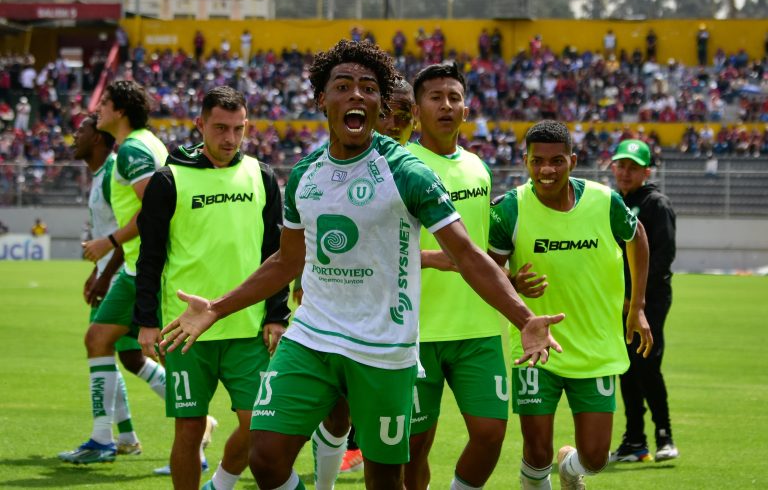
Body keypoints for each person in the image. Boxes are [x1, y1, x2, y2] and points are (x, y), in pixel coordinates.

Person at [160, 39, 564, 490]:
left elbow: (467, 254)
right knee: (267, 456)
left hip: (383, 347)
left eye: (369, 88)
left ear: (380, 104)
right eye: (344, 86)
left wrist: (524, 317)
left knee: (385, 479)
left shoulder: (408, 172)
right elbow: (286, 259)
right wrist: (216, 307)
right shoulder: (303, 174)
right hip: (312, 337)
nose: (357, 95)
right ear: (322, 99)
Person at [134, 86, 290, 490]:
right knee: (188, 429)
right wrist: (147, 321)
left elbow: (275, 253)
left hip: (246, 329)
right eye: (220, 128)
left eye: (238, 129)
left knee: (259, 425)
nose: (230, 139)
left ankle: (220, 483)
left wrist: (276, 314)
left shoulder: (263, 176)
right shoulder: (169, 180)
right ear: (200, 124)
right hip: (184, 331)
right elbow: (149, 257)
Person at [487, 120, 653, 490]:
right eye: (538, 160)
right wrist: (513, 283)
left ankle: (569, 466)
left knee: (594, 459)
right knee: (536, 451)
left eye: (557, 160)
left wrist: (637, 306)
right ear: (525, 161)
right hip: (535, 350)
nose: (547, 169)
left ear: (573, 161)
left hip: (595, 347)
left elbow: (637, 236)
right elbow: (487, 271)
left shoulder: (605, 200)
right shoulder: (508, 210)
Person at [403, 61, 509, 490]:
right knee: (414, 448)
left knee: (491, 433)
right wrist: (429, 258)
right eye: (435, 97)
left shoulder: (478, 168)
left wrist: (507, 281)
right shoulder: (400, 164)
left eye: (454, 97)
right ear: (415, 111)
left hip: (478, 327)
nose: (446, 105)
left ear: (466, 109)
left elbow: (481, 245)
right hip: (416, 330)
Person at [310, 77, 418, 489]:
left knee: (404, 451)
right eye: (387, 113)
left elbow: (467, 248)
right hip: (341, 318)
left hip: (409, 331)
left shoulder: (420, 172)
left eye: (403, 116)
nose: (393, 123)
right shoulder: (331, 168)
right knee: (337, 414)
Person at [60, 80, 168, 465]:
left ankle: (107, 438)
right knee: (122, 349)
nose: (96, 111)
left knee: (110, 344)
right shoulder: (146, 144)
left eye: (103, 104)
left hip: (140, 267)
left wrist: (108, 246)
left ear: (119, 110)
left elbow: (152, 209)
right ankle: (119, 436)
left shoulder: (130, 153)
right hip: (140, 266)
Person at [609, 139, 678, 463]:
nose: (625, 172)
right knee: (626, 368)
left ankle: (664, 434)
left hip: (649, 300)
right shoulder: (613, 203)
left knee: (647, 365)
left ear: (647, 171)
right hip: (619, 302)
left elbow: (662, 257)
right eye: (621, 165)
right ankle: (635, 440)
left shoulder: (655, 204)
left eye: (633, 167)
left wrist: (636, 300)